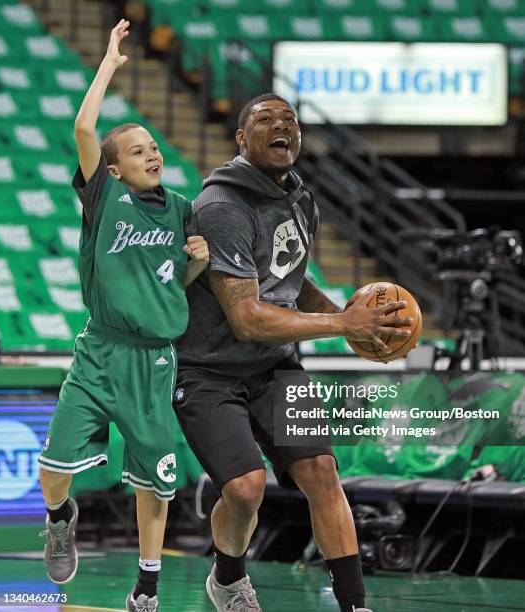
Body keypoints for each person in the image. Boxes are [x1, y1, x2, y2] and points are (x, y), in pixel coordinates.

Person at [174, 93, 413, 612]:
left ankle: (354, 604)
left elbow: (291, 283)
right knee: (244, 489)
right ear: (241, 139)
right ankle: (229, 578)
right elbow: (248, 315)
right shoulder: (221, 207)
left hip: (276, 365)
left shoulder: (300, 198)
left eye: (290, 119)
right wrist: (341, 322)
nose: (282, 125)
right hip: (208, 370)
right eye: (265, 120)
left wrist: (355, 327)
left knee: (323, 474)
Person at [37, 20, 208, 612]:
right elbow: (85, 126)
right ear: (113, 170)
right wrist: (110, 62)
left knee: (153, 482)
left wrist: (196, 265)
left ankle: (148, 586)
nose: (153, 154)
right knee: (53, 465)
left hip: (154, 361)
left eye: (155, 147)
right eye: (138, 151)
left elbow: (171, 290)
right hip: (99, 352)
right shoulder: (104, 199)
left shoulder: (184, 211)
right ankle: (61, 517)